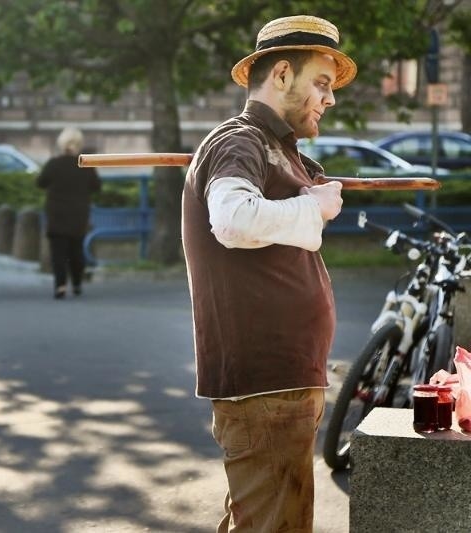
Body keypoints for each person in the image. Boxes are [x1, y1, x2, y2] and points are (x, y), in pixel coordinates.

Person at [180, 15, 355, 532]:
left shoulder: (273, 146)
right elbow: (232, 221)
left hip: (280, 387)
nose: (330, 99)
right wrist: (315, 210)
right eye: (321, 84)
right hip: (265, 388)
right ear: (281, 74)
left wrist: (310, 191)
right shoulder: (240, 141)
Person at [37, 127, 101, 299]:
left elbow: (40, 182)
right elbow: (96, 186)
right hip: (78, 213)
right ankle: (78, 283)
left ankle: (60, 285)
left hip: (57, 213)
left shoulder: (54, 164)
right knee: (76, 249)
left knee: (58, 251)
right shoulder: (86, 165)